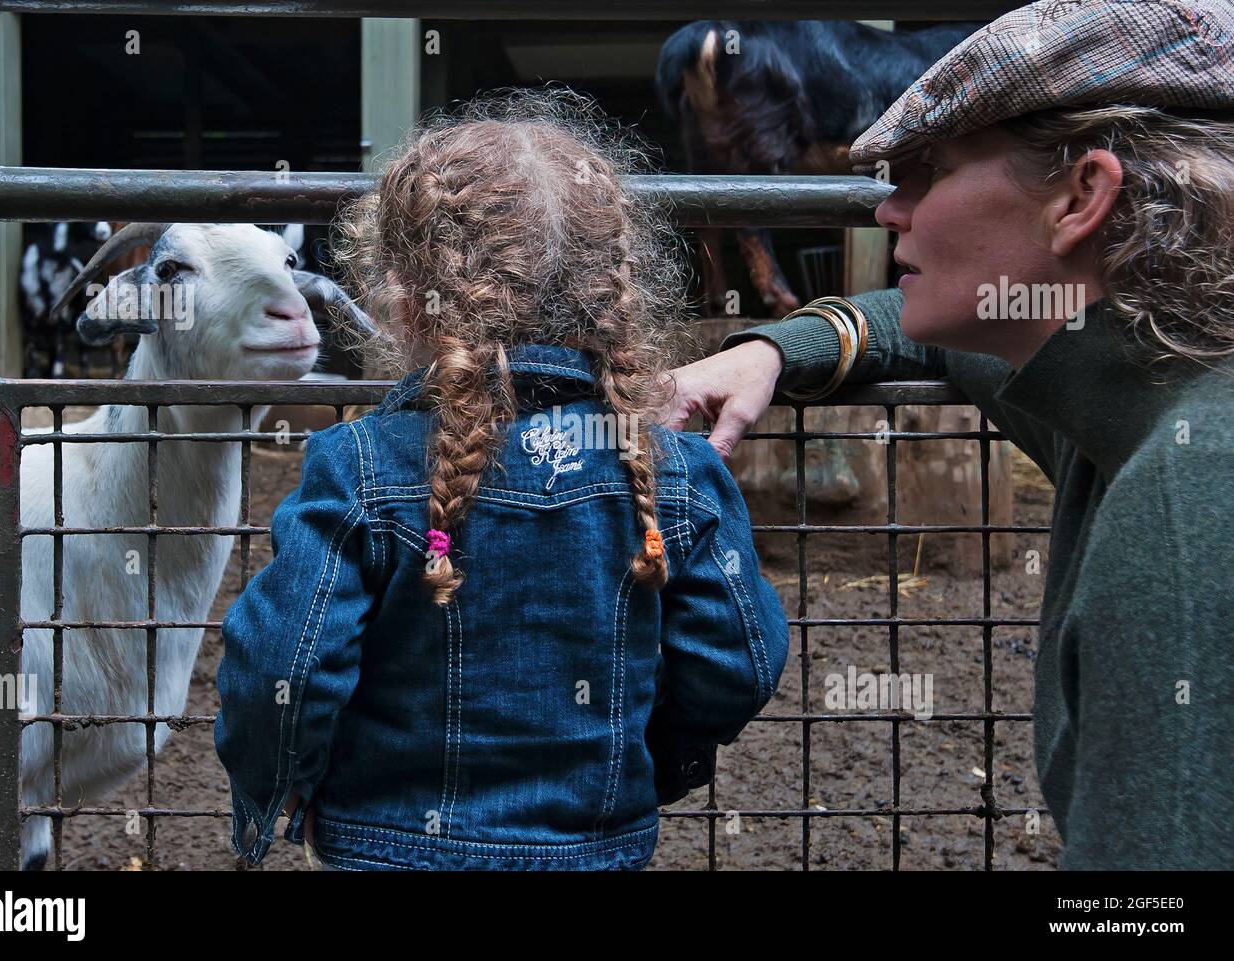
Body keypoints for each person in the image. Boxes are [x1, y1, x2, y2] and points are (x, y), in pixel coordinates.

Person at [661, 0, 1234, 870]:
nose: (889, 210)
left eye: (927, 171)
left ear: (1082, 195)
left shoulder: (1190, 495)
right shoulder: (1127, 373)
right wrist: (778, 346)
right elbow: (922, 322)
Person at [212, 91, 790, 871]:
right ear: (615, 285)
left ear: (405, 293)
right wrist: (637, 757)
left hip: (386, 849)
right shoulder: (673, 471)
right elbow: (737, 663)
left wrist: (283, 791)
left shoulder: (361, 466)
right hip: (597, 849)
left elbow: (282, 668)